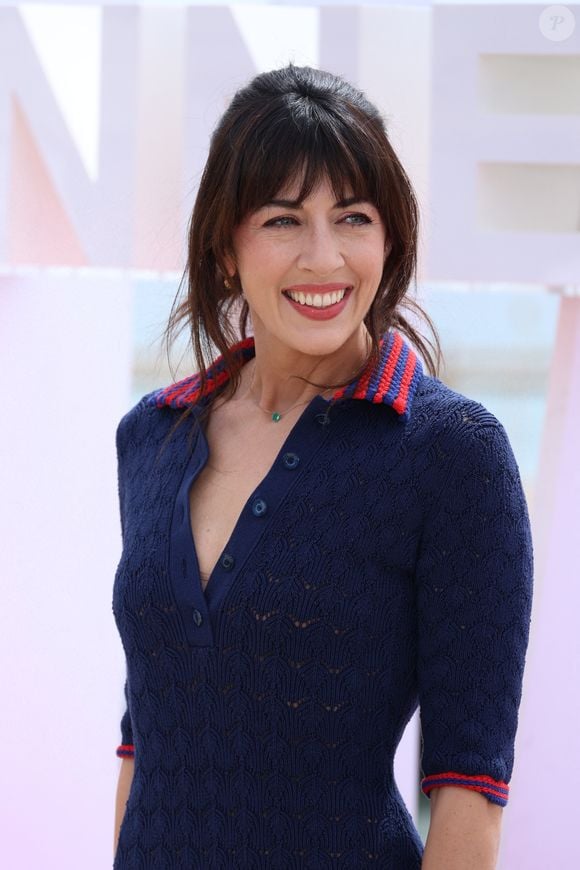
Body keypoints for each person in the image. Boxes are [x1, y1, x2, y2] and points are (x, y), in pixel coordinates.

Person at [112, 64, 533, 869]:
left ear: (389, 241)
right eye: (282, 220)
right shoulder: (152, 436)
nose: (324, 257)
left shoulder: (452, 454)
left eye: (353, 218)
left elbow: (469, 785)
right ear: (225, 248)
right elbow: (144, 736)